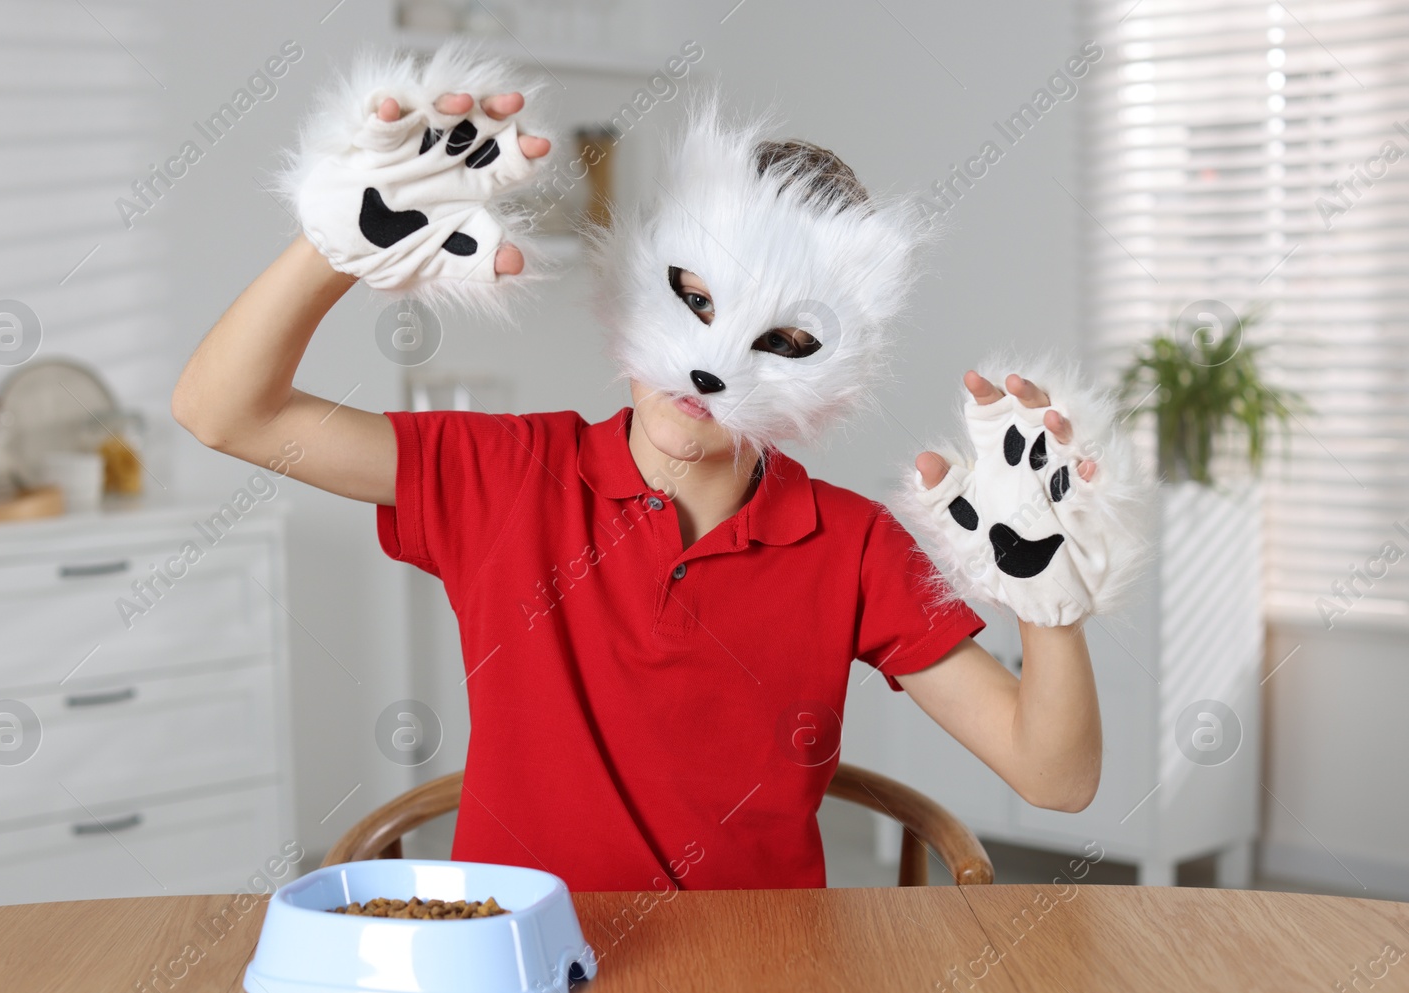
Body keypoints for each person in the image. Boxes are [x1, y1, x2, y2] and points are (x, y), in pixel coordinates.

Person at [174, 47, 1144, 892]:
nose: (709, 365)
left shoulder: (849, 544)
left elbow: (1053, 777)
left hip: (758, 989)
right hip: (515, 978)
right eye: (692, 296)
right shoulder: (506, 473)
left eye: (784, 335)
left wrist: (1048, 608)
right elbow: (224, 412)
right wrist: (334, 247)